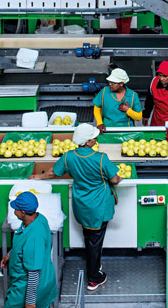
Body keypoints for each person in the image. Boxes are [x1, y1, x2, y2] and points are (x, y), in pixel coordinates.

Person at [50, 123, 122, 291]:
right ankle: (93, 278)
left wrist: (37, 177)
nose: (96, 139)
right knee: (95, 242)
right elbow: (115, 179)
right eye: (93, 137)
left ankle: (95, 264)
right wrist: (120, 178)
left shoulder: (69, 157)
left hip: (81, 206)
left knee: (89, 236)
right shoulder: (101, 158)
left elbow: (54, 172)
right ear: (88, 142)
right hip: (98, 207)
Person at [0, 192, 58, 308]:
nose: (14, 210)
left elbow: (33, 272)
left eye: (16, 208)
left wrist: (30, 301)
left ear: (23, 212)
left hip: (26, 288)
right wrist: (11, 254)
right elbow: (23, 243)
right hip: (45, 283)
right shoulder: (38, 219)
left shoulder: (34, 237)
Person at [94, 68, 142, 132]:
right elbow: (97, 108)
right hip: (107, 130)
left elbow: (138, 117)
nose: (110, 84)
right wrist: (99, 123)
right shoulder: (104, 92)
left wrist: (128, 110)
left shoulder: (133, 96)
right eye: (109, 82)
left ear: (121, 84)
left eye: (113, 83)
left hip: (127, 132)